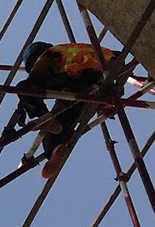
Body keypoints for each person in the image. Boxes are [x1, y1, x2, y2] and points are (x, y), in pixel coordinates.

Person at [11, 39, 118, 179]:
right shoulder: (74, 50)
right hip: (94, 81)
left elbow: (36, 75)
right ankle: (56, 149)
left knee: (24, 88)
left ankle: (45, 120)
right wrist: (105, 106)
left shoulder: (49, 54)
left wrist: (27, 105)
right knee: (63, 116)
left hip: (80, 75)